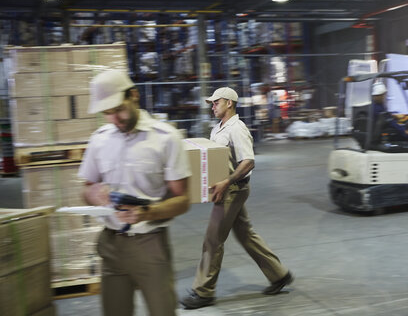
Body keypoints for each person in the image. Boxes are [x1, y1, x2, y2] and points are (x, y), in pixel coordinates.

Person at [78, 69, 191, 316]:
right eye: (107, 113)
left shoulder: (167, 139)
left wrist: (147, 212)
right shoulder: (99, 140)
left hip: (150, 244)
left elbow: (183, 200)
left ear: (134, 95)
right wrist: (93, 193)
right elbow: (85, 189)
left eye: (119, 109)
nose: (114, 119)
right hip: (110, 244)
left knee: (162, 311)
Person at [180, 87, 293, 310]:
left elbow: (248, 161)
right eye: (211, 103)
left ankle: (204, 292)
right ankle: (279, 275)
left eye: (216, 102)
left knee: (213, 240)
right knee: (246, 235)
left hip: (233, 191)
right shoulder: (218, 128)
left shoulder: (237, 129)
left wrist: (226, 182)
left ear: (229, 103)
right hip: (227, 190)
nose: (212, 106)